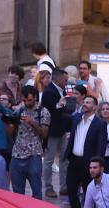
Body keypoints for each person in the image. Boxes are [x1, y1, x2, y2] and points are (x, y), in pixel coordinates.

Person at [65, 95, 108, 208]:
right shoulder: (76, 118)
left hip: (89, 163)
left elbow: (101, 145)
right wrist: (61, 106)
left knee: (89, 193)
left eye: (88, 102)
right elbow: (63, 121)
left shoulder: (99, 124)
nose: (85, 104)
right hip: (73, 160)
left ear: (95, 107)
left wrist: (98, 165)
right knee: (71, 189)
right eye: (84, 102)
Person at [11, 86, 50, 199]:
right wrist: (10, 122)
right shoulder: (19, 110)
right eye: (24, 100)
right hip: (17, 154)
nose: (27, 103)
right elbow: (11, 132)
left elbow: (44, 134)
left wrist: (32, 122)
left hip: (34, 155)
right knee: (17, 194)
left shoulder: (43, 112)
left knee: (37, 192)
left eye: (29, 100)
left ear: (35, 98)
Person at [41, 69, 71, 198]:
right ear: (58, 79)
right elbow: (49, 110)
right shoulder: (49, 92)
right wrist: (60, 105)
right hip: (52, 131)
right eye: (65, 80)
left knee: (64, 159)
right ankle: (48, 187)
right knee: (49, 160)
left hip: (62, 130)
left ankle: (64, 186)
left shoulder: (61, 91)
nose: (67, 82)